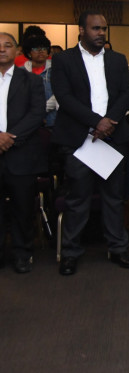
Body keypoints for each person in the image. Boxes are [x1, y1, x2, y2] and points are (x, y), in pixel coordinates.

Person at [51, 10, 129, 275]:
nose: (101, 33)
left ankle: (118, 249)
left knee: (113, 198)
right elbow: (64, 97)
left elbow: (125, 93)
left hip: (111, 138)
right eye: (96, 29)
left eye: (104, 29)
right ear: (81, 29)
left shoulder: (117, 59)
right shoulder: (64, 60)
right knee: (78, 199)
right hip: (80, 141)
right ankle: (71, 253)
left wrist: (109, 120)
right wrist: (95, 121)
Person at [0, 33, 45, 273]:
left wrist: (8, 138)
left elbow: (37, 114)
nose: (2, 50)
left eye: (7, 46)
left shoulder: (31, 81)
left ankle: (22, 254)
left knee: (22, 208)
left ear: (17, 50)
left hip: (21, 153)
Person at [21, 34, 57, 127]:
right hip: (27, 120)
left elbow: (59, 93)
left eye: (44, 48)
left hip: (52, 121)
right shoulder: (21, 71)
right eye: (36, 49)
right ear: (29, 53)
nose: (41, 51)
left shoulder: (56, 69)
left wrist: (40, 109)